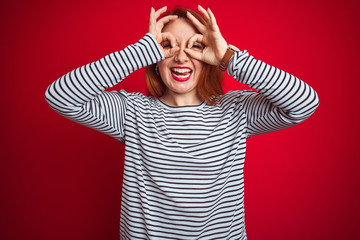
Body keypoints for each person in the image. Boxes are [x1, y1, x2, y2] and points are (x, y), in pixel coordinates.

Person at [45, 5, 319, 240]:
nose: (180, 56)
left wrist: (229, 58)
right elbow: (60, 96)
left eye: (195, 46)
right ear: (154, 58)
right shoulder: (131, 112)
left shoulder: (236, 111)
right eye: (167, 45)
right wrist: (140, 51)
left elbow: (305, 103)